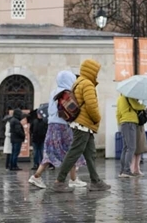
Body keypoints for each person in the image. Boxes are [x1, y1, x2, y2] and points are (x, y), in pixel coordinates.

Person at [52, 59, 111, 193]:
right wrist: (97, 118)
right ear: (92, 71)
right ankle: (59, 181)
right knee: (74, 152)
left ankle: (96, 181)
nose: (97, 74)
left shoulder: (77, 82)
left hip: (80, 123)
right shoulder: (88, 84)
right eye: (96, 71)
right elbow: (91, 106)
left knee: (90, 153)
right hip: (83, 124)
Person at [29, 70, 85, 189]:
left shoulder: (54, 92)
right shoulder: (67, 93)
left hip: (52, 125)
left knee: (50, 152)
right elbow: (72, 110)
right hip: (63, 125)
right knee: (72, 150)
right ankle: (73, 179)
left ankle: (36, 176)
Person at [117, 94, 147, 179]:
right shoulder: (129, 96)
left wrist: (119, 124)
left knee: (125, 147)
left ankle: (122, 171)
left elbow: (117, 113)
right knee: (131, 148)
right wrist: (144, 106)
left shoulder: (120, 98)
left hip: (123, 123)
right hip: (130, 122)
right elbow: (136, 106)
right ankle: (126, 171)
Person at [132, 107, 147, 176]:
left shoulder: (138, 106)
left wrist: (146, 111)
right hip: (136, 127)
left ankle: (136, 169)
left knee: (139, 150)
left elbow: (143, 118)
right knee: (135, 150)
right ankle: (133, 169)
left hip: (140, 128)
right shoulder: (134, 105)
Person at [29, 108, 47, 172]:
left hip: (41, 139)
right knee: (36, 153)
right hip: (35, 140)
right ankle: (35, 164)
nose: (39, 115)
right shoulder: (34, 121)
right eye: (38, 114)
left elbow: (46, 130)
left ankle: (41, 165)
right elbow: (31, 130)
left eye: (39, 114)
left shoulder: (44, 122)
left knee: (41, 152)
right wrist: (32, 135)